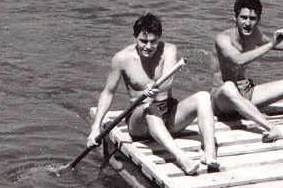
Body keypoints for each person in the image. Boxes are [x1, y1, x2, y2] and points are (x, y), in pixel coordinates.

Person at [87, 13, 219, 175]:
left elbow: (168, 81)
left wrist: (157, 88)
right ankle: (181, 157)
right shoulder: (121, 58)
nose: (148, 46)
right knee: (149, 107)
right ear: (135, 38)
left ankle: (210, 153)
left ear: (159, 38)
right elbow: (108, 93)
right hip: (140, 122)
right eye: (143, 41)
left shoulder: (169, 50)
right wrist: (95, 127)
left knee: (203, 96)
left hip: (168, 115)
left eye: (153, 41)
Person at [211, 0, 283, 141]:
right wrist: (272, 43)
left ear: (258, 19)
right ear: (235, 18)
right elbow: (239, 60)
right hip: (222, 101)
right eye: (243, 17)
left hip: (246, 93)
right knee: (228, 87)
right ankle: (271, 128)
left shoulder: (255, 34)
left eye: (252, 19)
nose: (248, 23)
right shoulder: (223, 39)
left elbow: (276, 44)